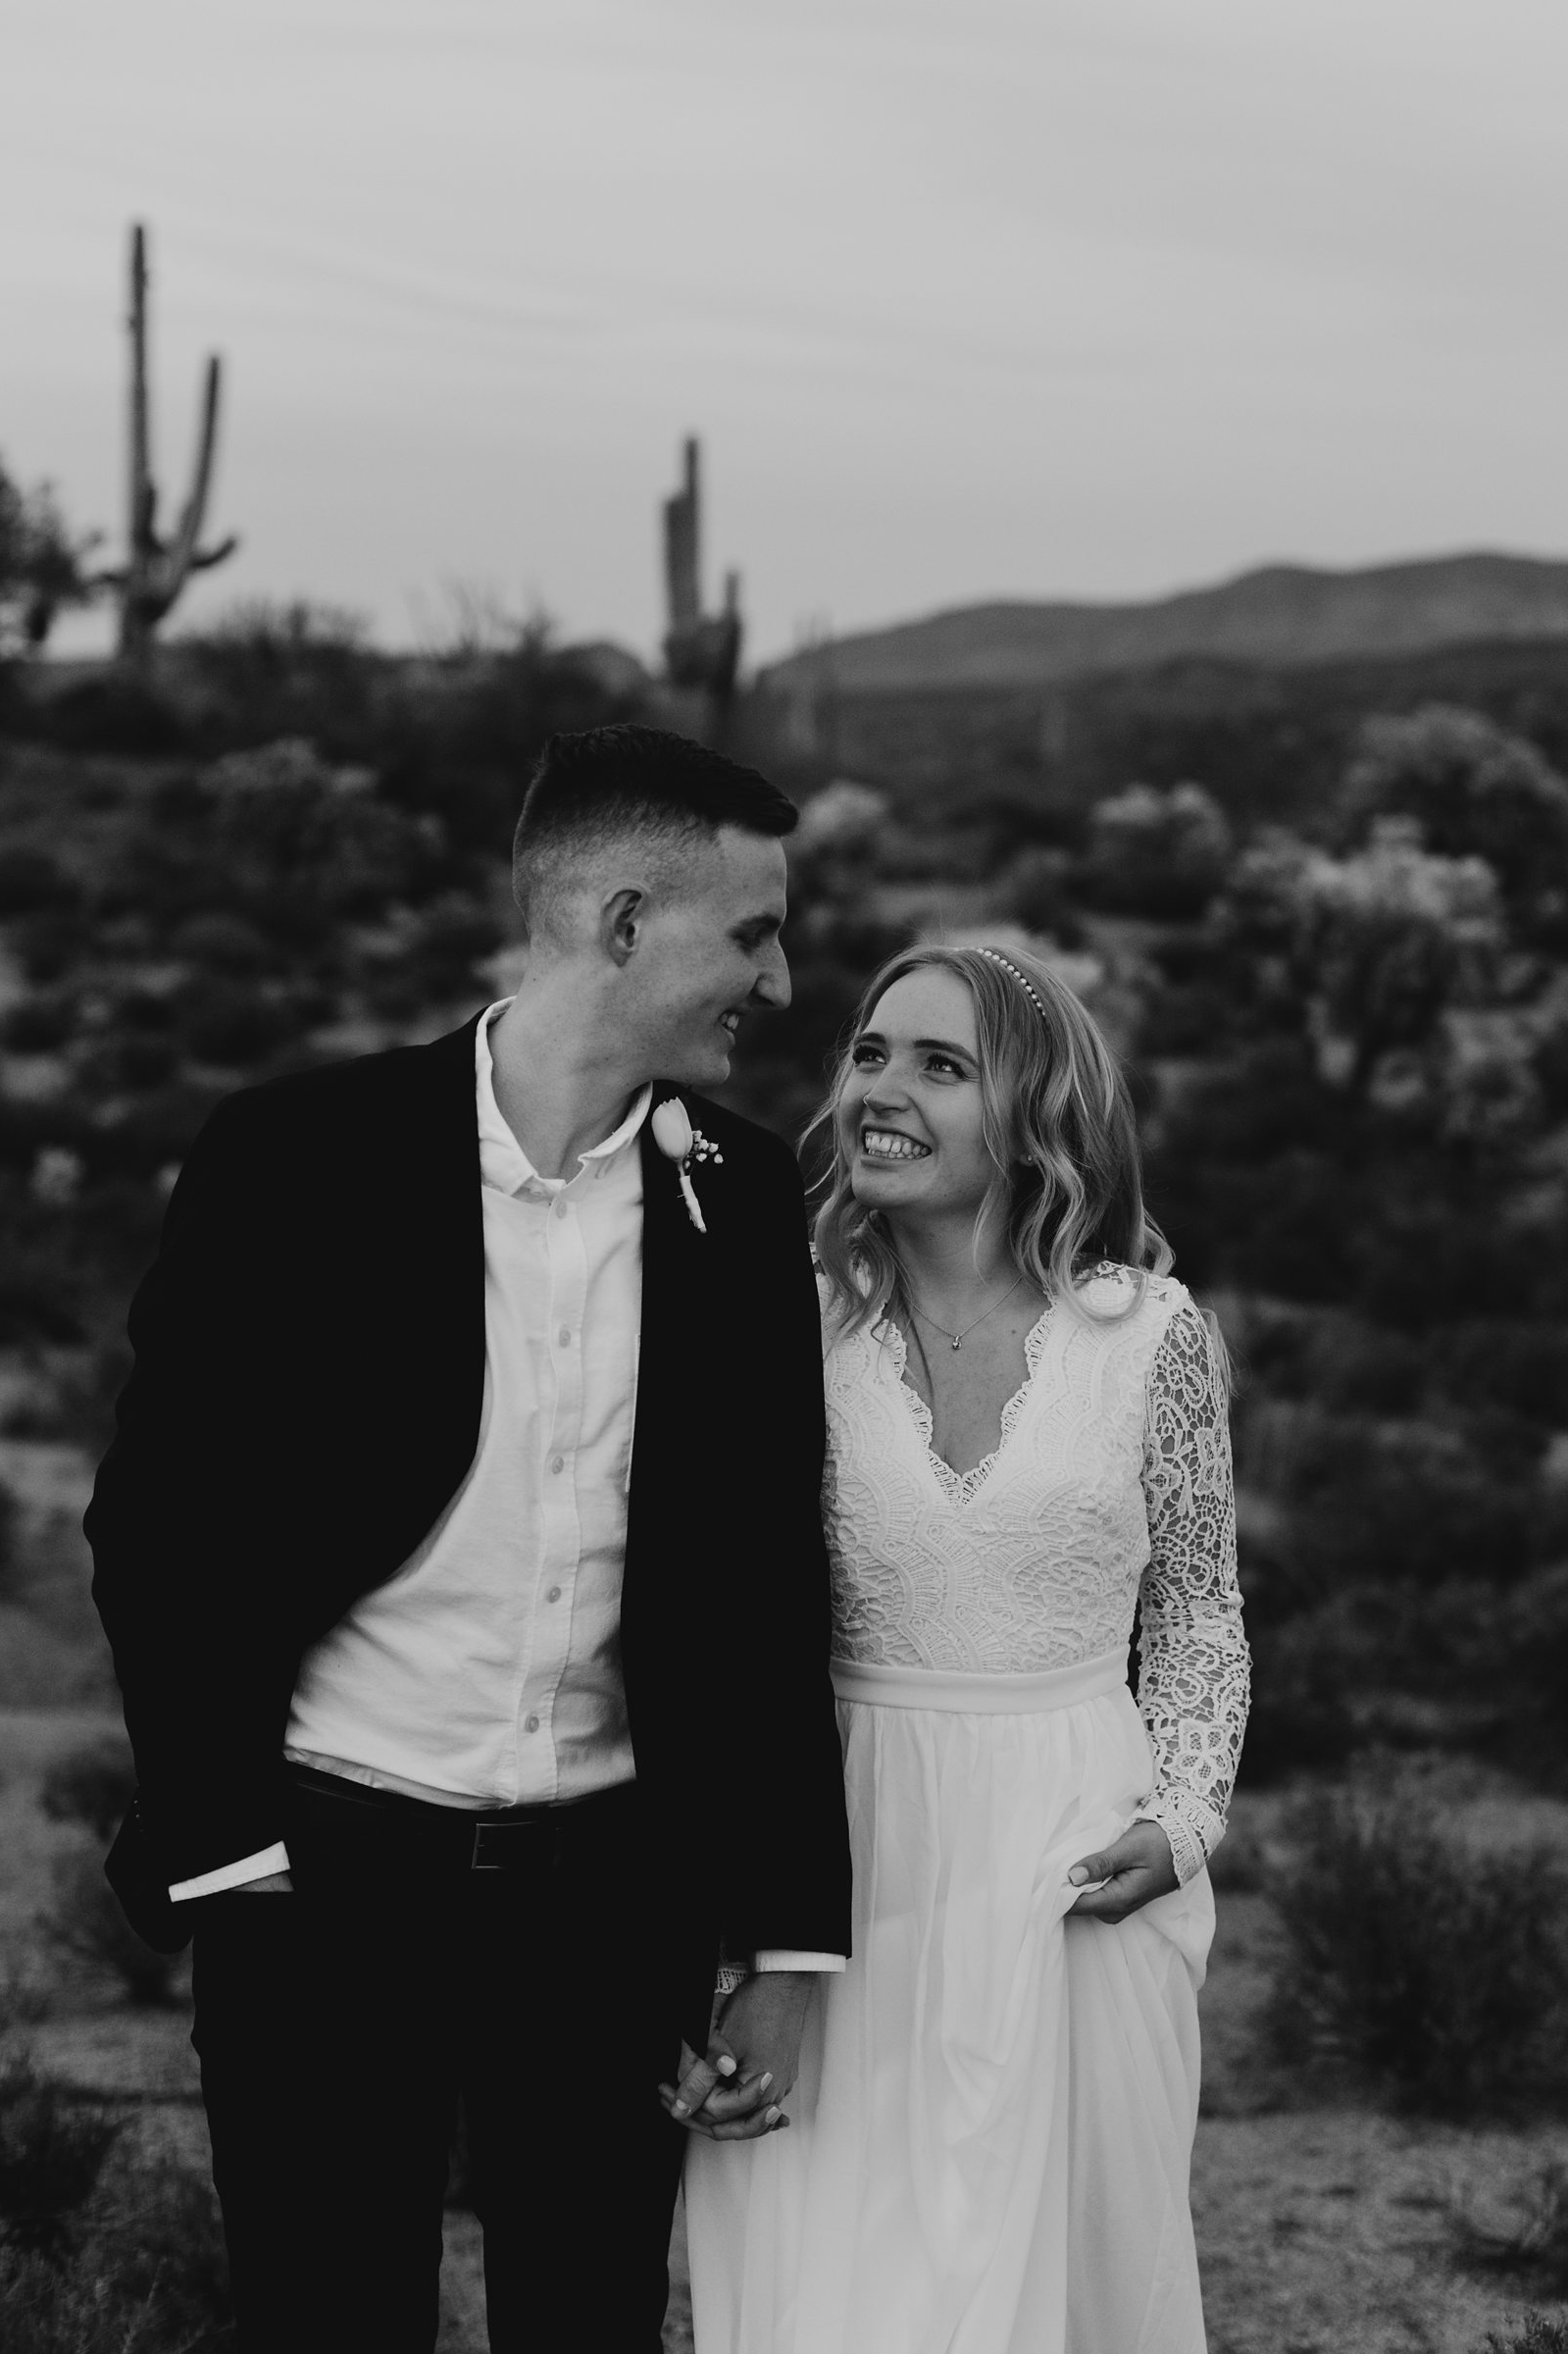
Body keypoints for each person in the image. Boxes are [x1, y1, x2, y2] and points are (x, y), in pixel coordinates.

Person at [85, 725, 852, 2354]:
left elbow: (769, 1585)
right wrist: (233, 1861)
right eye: (754, 933)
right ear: (624, 922)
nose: (781, 985)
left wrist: (785, 1937)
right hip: (323, 1884)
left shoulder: (747, 1194)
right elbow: (159, 1522)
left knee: (586, 2323)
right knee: (327, 2318)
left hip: (613, 1904)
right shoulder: (297, 1153)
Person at [683, 942, 1250, 2354]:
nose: (883, 1089)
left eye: (941, 1066)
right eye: (871, 1053)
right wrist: (728, 1932)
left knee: (1061, 2292)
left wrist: (1184, 1820)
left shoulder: (1151, 1336)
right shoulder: (783, 1323)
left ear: (1034, 1110)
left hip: (1072, 1876)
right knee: (843, 2287)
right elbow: (716, 1626)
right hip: (841, 1866)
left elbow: (1196, 1607)